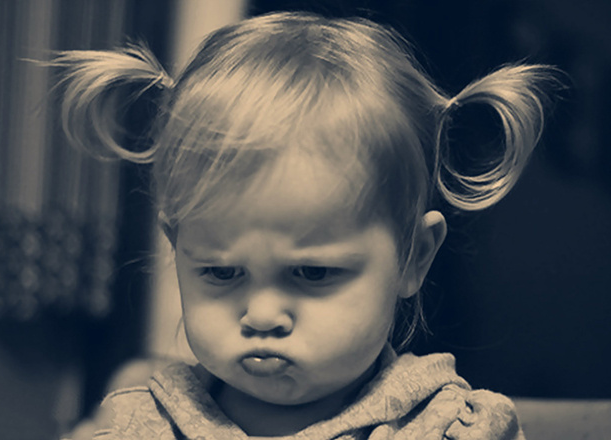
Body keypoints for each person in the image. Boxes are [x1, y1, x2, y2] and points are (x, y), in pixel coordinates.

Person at [56, 11, 561, 439]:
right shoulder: (140, 425)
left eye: (313, 273)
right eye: (221, 272)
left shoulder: (446, 428)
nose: (262, 316)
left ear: (414, 255)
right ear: (177, 246)